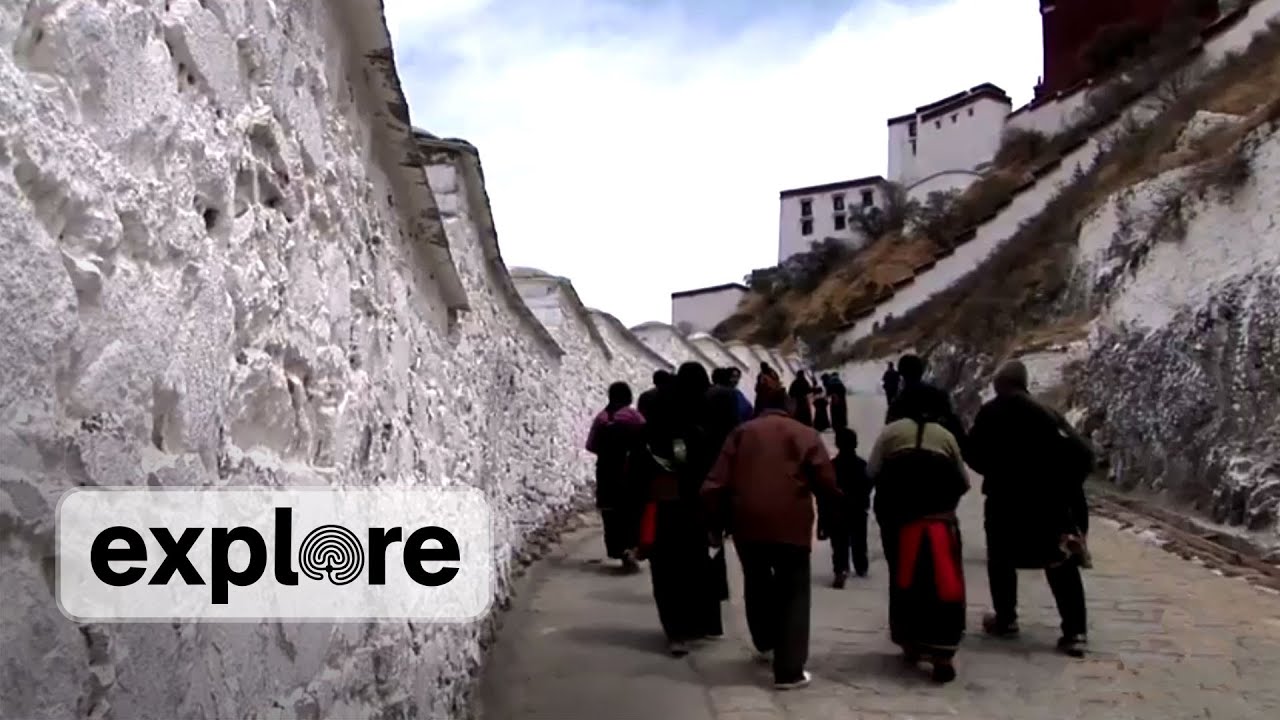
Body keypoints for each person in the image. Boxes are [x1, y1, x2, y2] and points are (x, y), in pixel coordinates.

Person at [701, 384, 840, 690]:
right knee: (794, 590)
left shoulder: (740, 433)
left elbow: (714, 484)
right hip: (791, 522)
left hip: (747, 524)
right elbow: (826, 481)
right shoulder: (805, 434)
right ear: (789, 407)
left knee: (757, 580)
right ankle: (789, 670)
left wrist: (716, 521)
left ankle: (765, 644)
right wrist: (829, 517)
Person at [963, 360, 1095, 658]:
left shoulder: (991, 413)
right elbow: (1083, 454)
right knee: (1060, 563)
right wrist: (1066, 485)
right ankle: (1075, 631)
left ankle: (1006, 619)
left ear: (1001, 384)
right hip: (1049, 502)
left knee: (1001, 559)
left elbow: (973, 455)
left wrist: (997, 469)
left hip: (1005, 499)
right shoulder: (1048, 414)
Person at [869, 398, 970, 684]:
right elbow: (963, 481)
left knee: (905, 578)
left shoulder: (890, 432)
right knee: (945, 581)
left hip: (899, 521)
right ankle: (943, 652)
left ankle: (909, 640)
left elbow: (872, 472)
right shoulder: (945, 435)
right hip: (940, 521)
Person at [633, 362, 725, 656]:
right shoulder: (704, 422)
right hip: (694, 506)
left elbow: (639, 469)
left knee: (666, 571)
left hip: (663, 505)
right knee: (694, 565)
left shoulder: (655, 424)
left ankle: (676, 631)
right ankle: (694, 625)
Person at [585, 382, 646, 572]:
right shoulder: (634, 417)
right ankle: (631, 548)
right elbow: (646, 439)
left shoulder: (601, 418)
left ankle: (619, 550)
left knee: (611, 513)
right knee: (632, 512)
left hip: (606, 472)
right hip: (631, 471)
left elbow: (591, 445)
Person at [818, 427, 871, 587]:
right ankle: (861, 565)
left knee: (839, 542)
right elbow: (868, 484)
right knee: (859, 540)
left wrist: (823, 519)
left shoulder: (832, 466)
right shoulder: (862, 465)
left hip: (838, 509)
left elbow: (825, 491)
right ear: (855, 444)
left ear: (837, 444)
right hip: (858, 508)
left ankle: (840, 568)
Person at [886, 354, 965, 444]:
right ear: (921, 372)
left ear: (901, 374)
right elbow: (955, 426)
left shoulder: (898, 402)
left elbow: (889, 432)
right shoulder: (938, 396)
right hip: (937, 447)